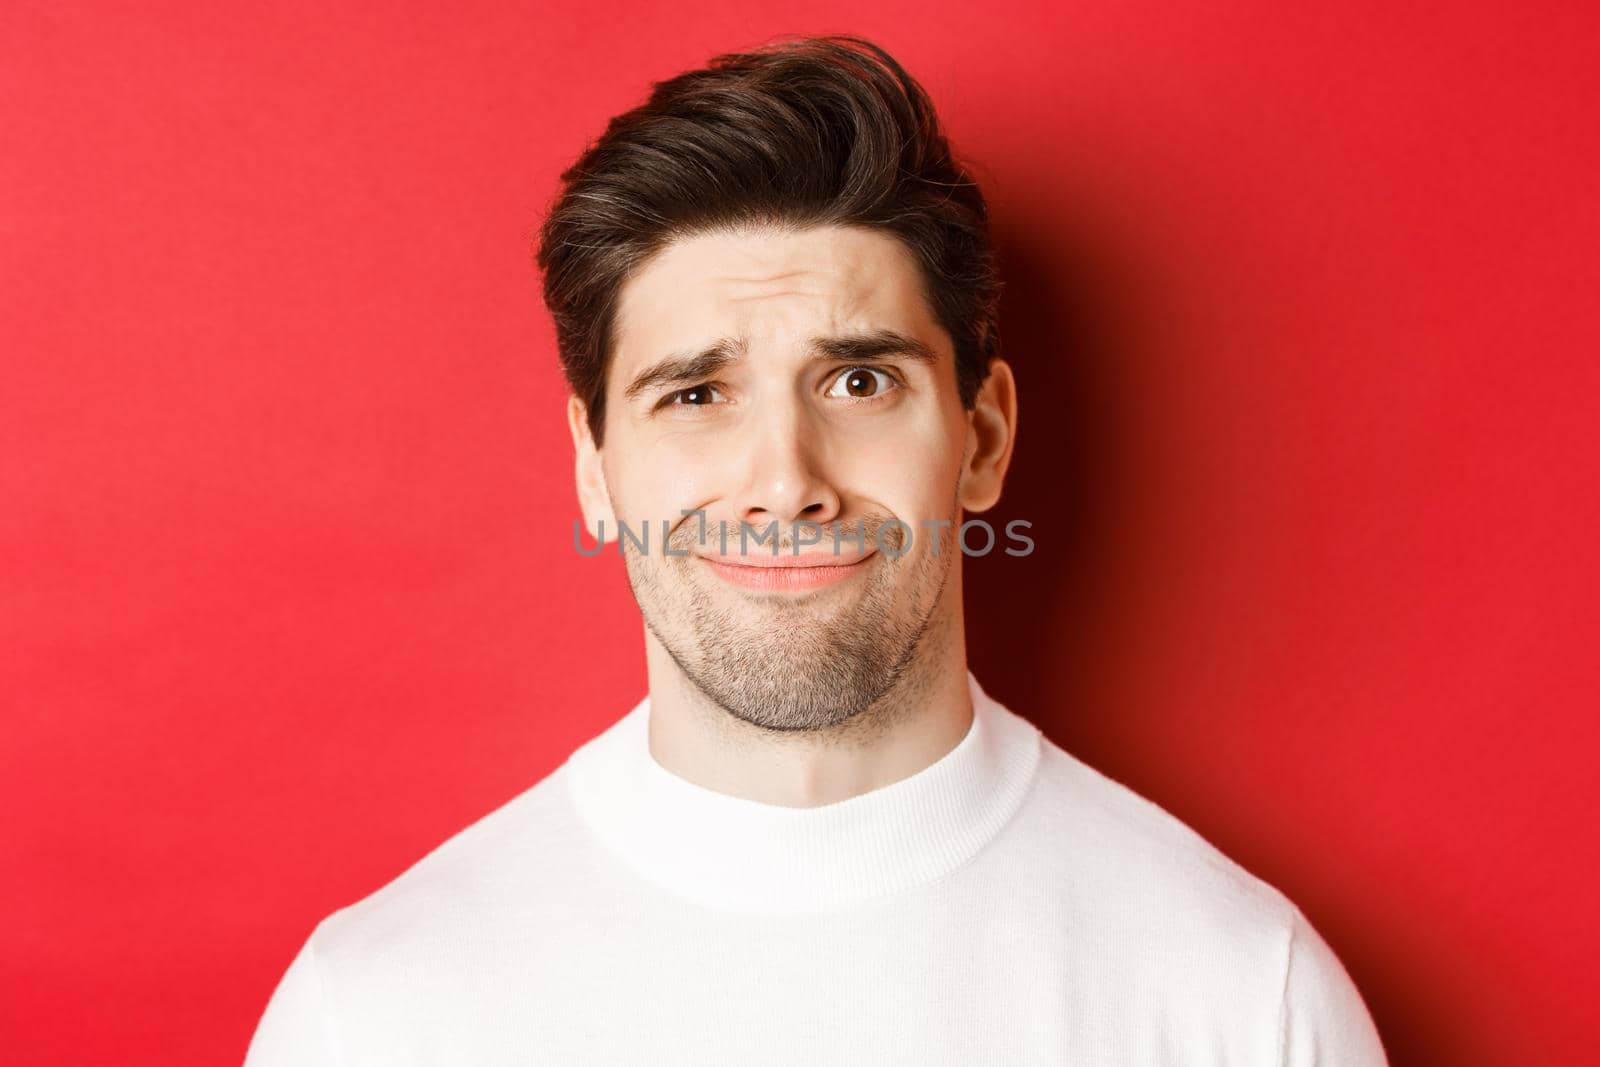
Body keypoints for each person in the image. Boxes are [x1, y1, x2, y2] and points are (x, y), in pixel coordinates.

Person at [243, 34, 1389, 1066]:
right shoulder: (374, 1015)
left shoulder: (1242, 997)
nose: (786, 481)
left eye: (859, 381)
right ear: (595, 468)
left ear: (982, 439)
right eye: (695, 392)